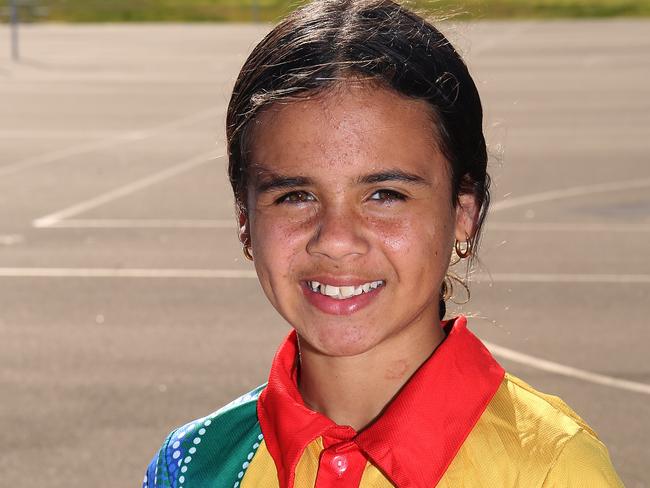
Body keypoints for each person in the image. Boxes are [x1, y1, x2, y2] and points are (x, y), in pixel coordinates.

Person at [143, 1, 623, 486]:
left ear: (464, 211)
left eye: (385, 194)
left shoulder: (549, 469)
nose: (335, 240)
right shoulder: (193, 464)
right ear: (244, 218)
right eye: (294, 195)